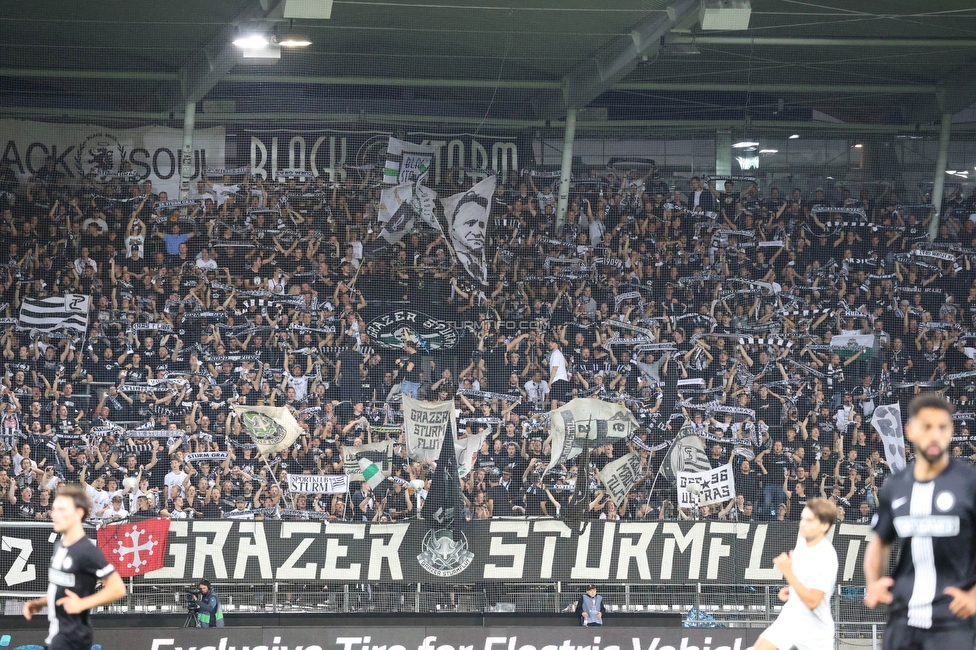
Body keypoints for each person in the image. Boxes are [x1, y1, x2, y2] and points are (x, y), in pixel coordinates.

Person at [864, 393, 976, 649]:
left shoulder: (970, 483)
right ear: (911, 430)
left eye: (942, 427)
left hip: (951, 621)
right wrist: (873, 583)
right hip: (902, 619)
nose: (935, 434)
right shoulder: (895, 485)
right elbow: (879, 542)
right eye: (927, 427)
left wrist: (973, 596)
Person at [22, 484, 126, 650]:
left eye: (62, 509)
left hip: (73, 638)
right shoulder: (60, 547)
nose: (54, 514)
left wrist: (82, 604)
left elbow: (117, 588)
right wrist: (41, 602)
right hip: (57, 635)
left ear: (78, 513)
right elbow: (64, 590)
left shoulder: (87, 551)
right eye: (54, 509)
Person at [755, 497, 839, 650]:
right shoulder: (803, 540)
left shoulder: (825, 555)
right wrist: (792, 590)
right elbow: (804, 580)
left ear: (824, 525)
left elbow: (813, 602)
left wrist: (788, 572)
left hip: (814, 631)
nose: (803, 524)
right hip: (791, 618)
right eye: (802, 518)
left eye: (809, 520)